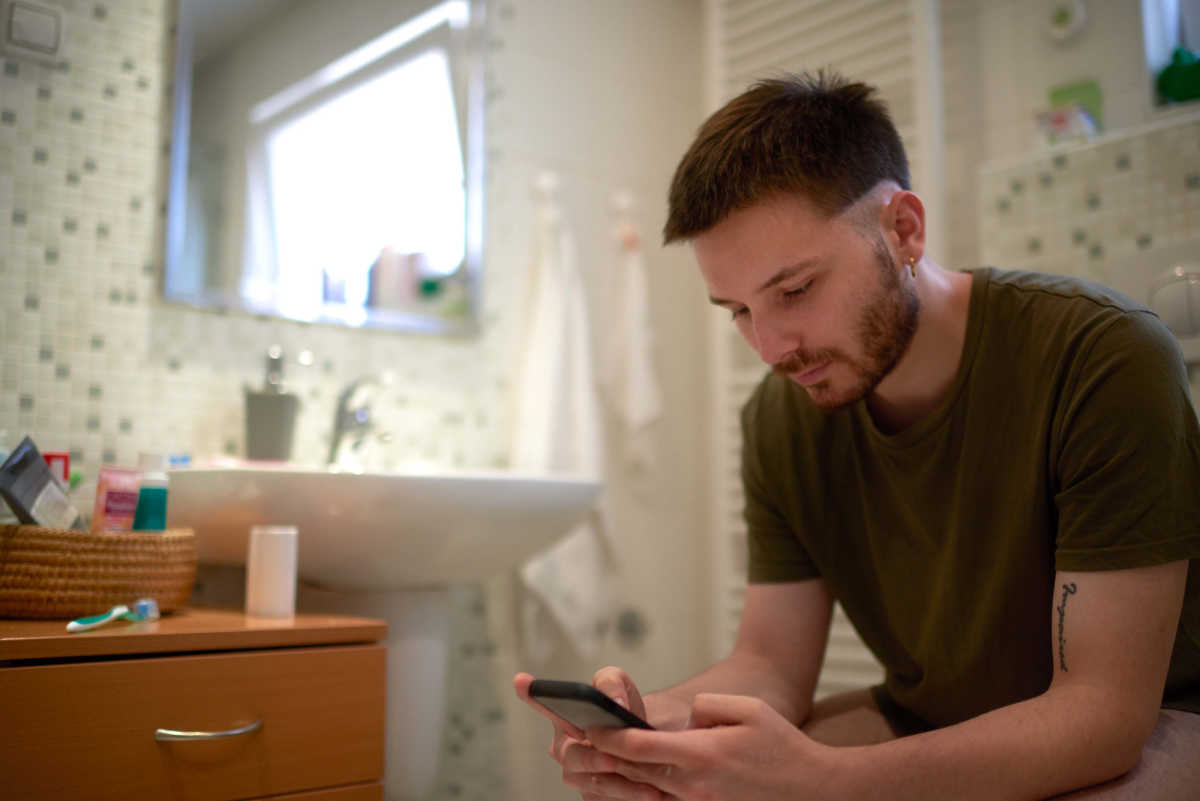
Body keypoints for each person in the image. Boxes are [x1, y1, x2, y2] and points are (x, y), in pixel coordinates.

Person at [515, 71, 1200, 800]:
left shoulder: (1101, 358)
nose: (772, 347)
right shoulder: (780, 421)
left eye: (796, 290)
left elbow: (1100, 715)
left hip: (1159, 719)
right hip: (925, 720)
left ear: (903, 228)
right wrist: (654, 726)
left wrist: (831, 779)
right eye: (739, 310)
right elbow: (772, 667)